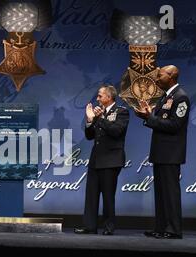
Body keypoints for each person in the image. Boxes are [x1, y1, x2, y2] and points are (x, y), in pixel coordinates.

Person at [135, 65, 190, 239]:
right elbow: (158, 120)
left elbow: (175, 125)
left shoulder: (181, 97)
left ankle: (173, 229)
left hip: (171, 154)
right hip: (160, 153)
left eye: (160, 76)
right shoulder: (166, 97)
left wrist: (149, 118)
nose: (157, 79)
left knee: (170, 193)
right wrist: (149, 115)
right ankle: (161, 227)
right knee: (160, 193)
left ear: (172, 76)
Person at [75, 85, 129, 235]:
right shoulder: (98, 113)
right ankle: (89, 226)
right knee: (91, 194)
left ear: (109, 97)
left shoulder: (122, 112)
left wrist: (100, 118)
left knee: (108, 195)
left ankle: (109, 227)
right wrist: (89, 120)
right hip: (96, 159)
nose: (97, 98)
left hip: (111, 160)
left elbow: (116, 131)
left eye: (100, 96)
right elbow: (90, 135)